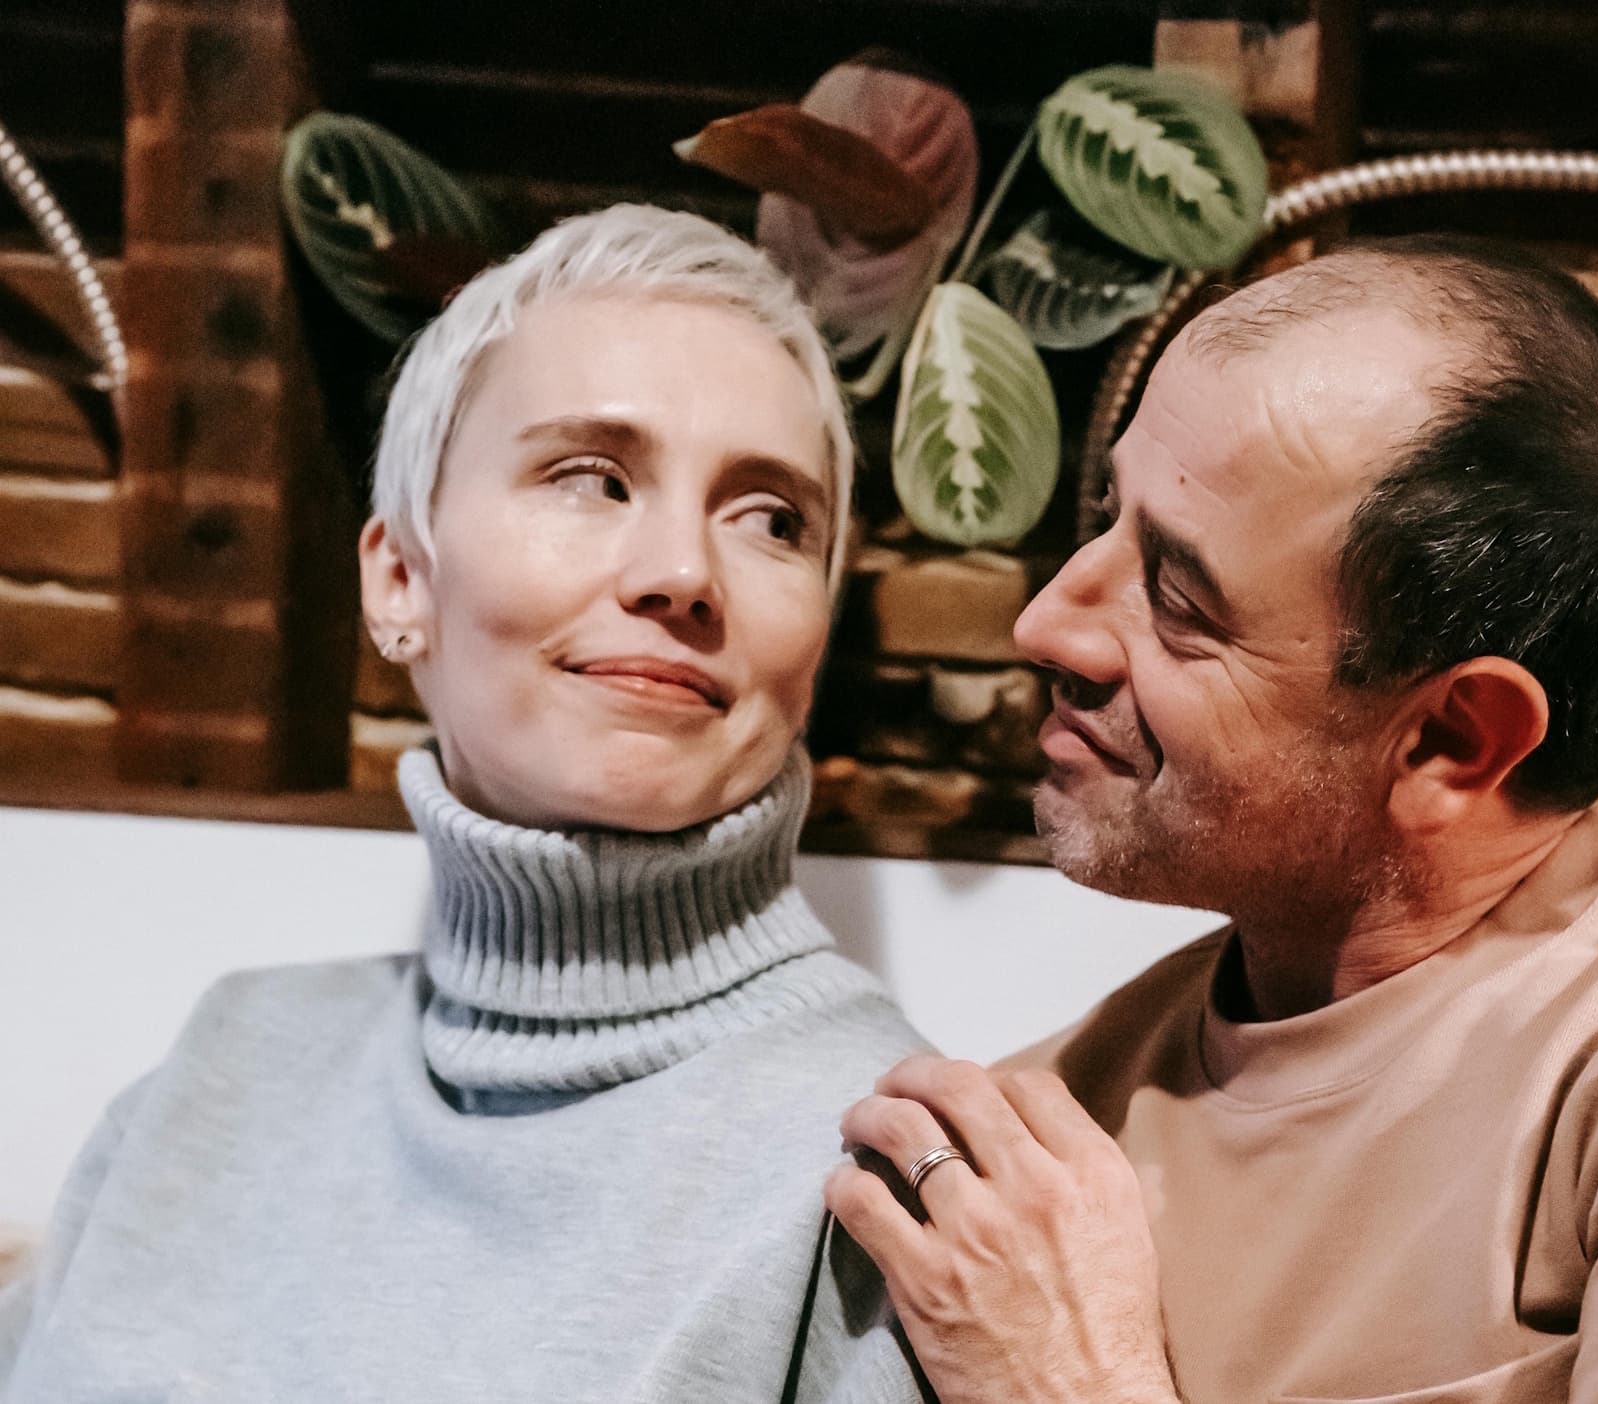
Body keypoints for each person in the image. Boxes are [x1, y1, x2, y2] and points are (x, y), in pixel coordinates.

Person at [828, 235, 1598, 1402]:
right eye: (1105, 517)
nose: (1048, 624)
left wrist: (1069, 1387)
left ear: (1453, 739)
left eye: (1179, 600)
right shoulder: (1035, 1151)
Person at [1, 205, 926, 1402]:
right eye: (592, 478)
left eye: (771, 520)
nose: (683, 574)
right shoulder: (226, 1059)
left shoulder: (879, 1164)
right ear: (399, 580)